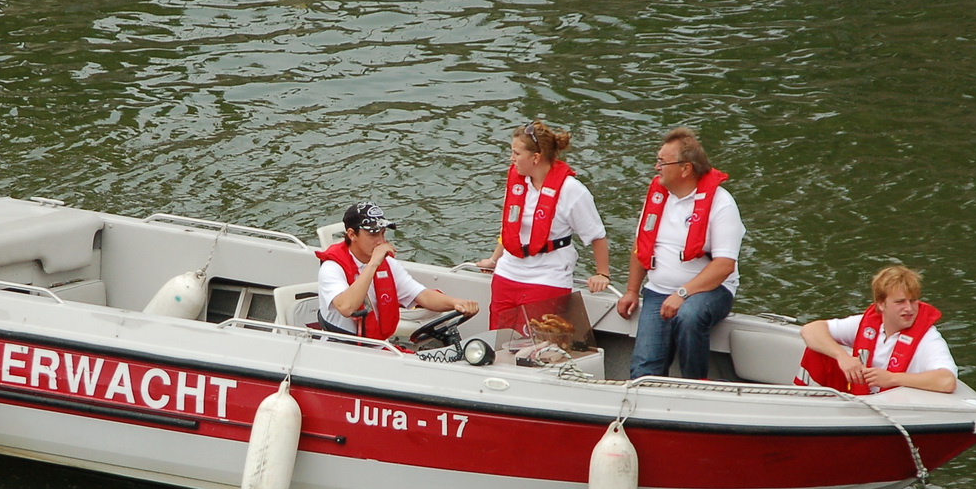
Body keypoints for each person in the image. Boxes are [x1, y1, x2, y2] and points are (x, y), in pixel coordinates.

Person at [617, 126, 744, 379]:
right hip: (658, 291)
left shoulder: (721, 204)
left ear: (686, 168)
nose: (656, 167)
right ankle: (648, 393)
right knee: (644, 369)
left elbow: (724, 265)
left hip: (710, 291)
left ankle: (695, 383)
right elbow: (641, 246)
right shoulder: (657, 198)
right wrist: (631, 290)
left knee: (689, 316)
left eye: (662, 162)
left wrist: (682, 294)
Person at [475, 119, 611, 332]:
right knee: (499, 340)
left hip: (547, 278)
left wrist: (602, 273)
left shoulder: (571, 191)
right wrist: (494, 260)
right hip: (507, 274)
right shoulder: (518, 183)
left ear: (535, 158)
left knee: (535, 344)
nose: (511, 159)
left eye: (516, 153)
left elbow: (596, 235)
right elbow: (511, 229)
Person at [316, 202, 479, 340]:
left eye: (382, 233)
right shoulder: (332, 268)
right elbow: (346, 307)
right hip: (340, 346)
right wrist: (373, 264)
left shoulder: (388, 264)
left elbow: (422, 295)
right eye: (373, 234)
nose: (381, 241)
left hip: (377, 346)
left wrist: (456, 303)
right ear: (352, 235)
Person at [796, 265, 958, 394]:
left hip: (893, 407)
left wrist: (892, 378)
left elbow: (947, 381)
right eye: (900, 302)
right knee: (817, 352)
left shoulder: (928, 338)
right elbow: (810, 330)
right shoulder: (866, 324)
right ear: (881, 304)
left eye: (913, 301)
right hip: (860, 399)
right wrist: (842, 357)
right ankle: (806, 405)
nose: (909, 308)